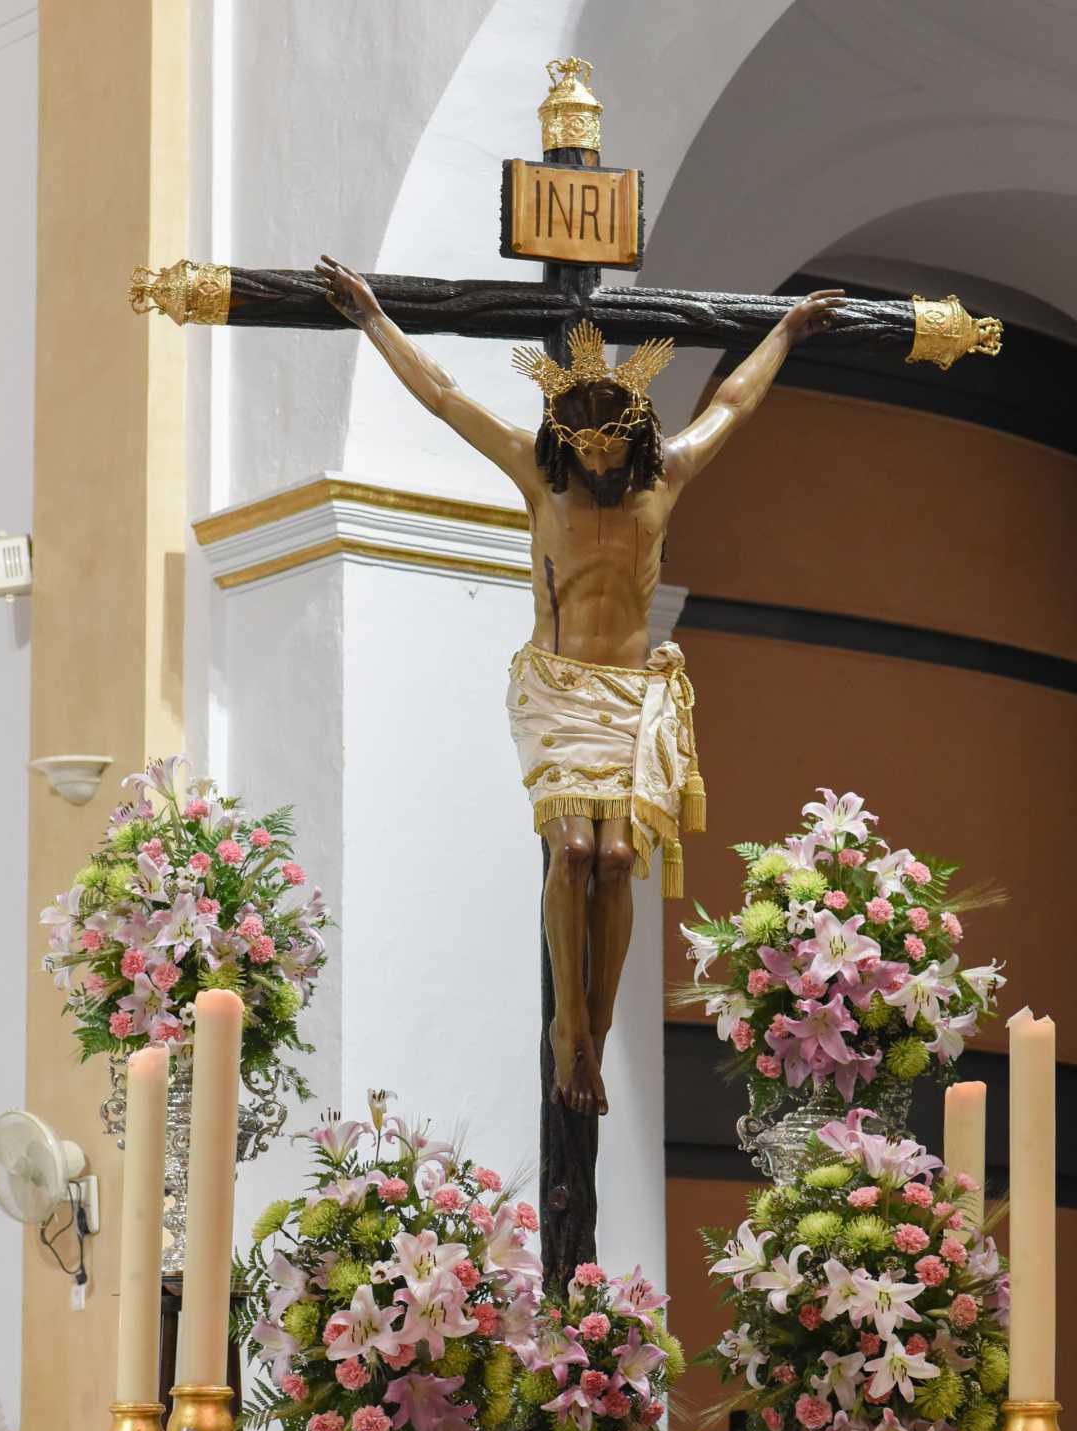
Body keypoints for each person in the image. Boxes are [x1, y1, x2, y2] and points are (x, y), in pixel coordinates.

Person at [318, 254, 844, 1116]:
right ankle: (569, 1029)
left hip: (633, 694)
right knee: (573, 850)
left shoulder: (664, 478)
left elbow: (734, 405)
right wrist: (376, 321)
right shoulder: (538, 472)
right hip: (558, 688)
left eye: (609, 444)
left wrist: (783, 332)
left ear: (635, 434)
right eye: (583, 443)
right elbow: (446, 397)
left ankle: (593, 1040)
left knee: (619, 858)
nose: (596, 460)